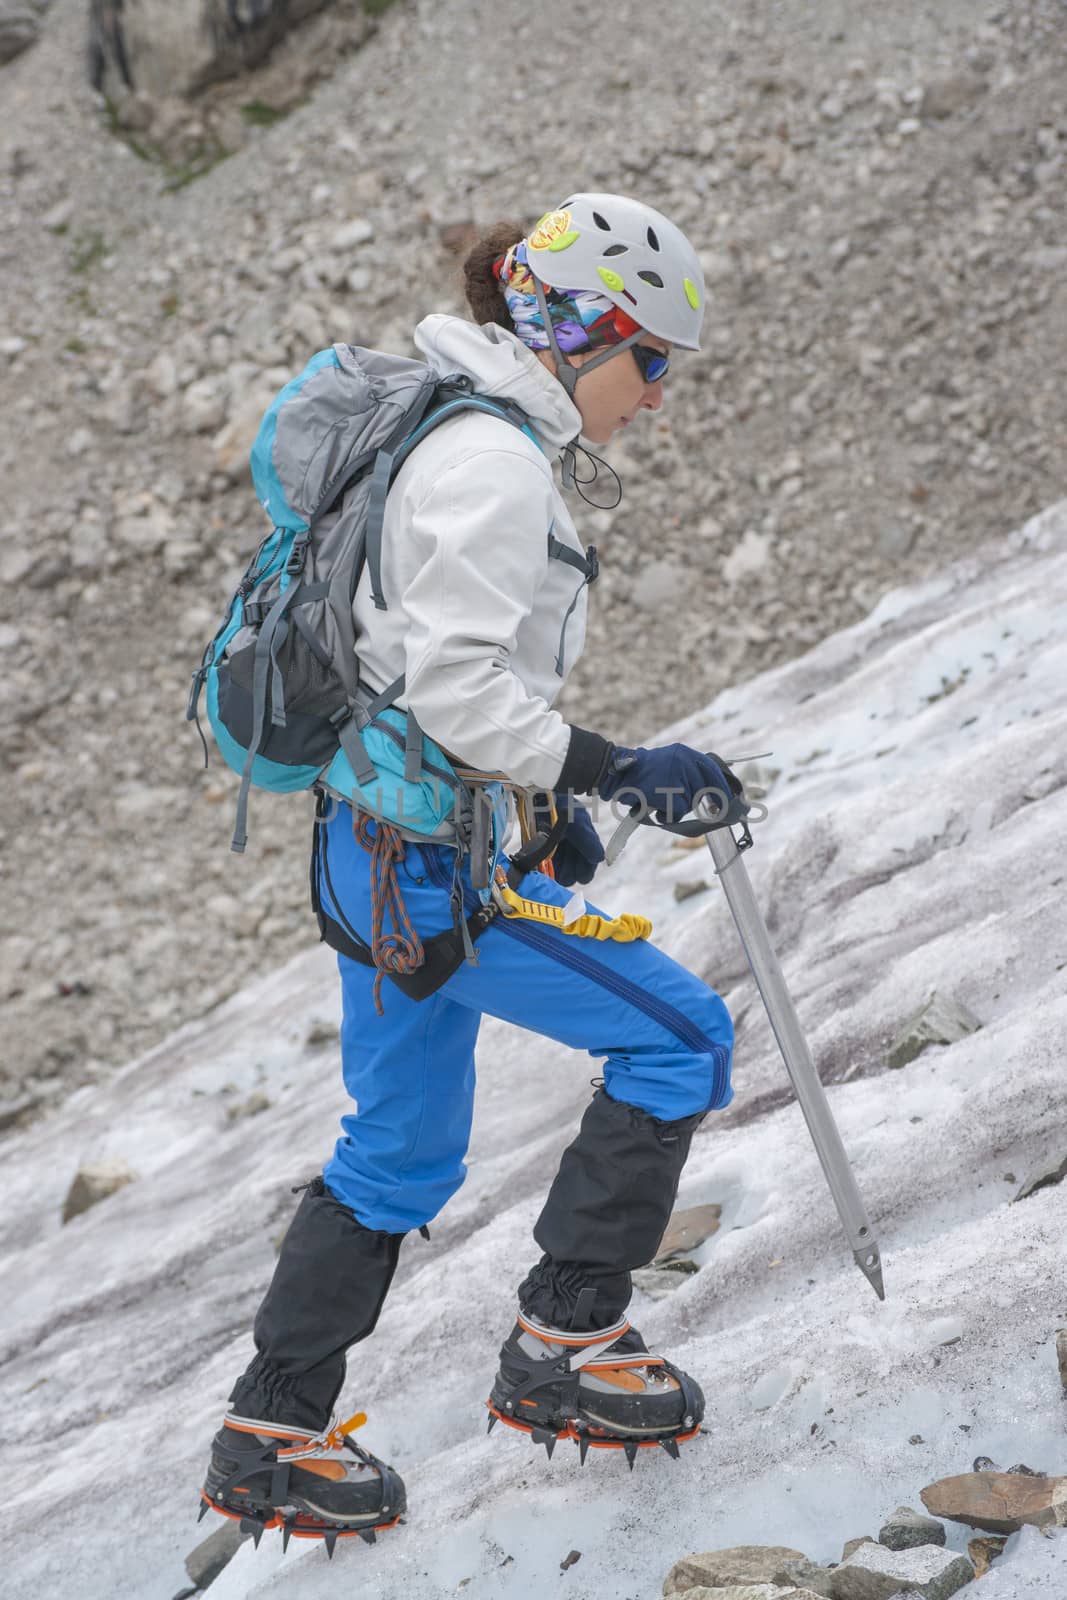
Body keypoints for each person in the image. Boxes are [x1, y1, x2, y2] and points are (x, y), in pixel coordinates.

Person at [200, 192, 747, 1548]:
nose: (658, 397)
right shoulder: (494, 461)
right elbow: (454, 686)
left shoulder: (442, 416)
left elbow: (409, 666)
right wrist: (612, 771)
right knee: (683, 1039)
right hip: (433, 876)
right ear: (582, 338)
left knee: (397, 1150)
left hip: (371, 846)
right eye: (654, 360)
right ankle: (565, 1346)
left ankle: (270, 1433)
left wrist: (535, 805)